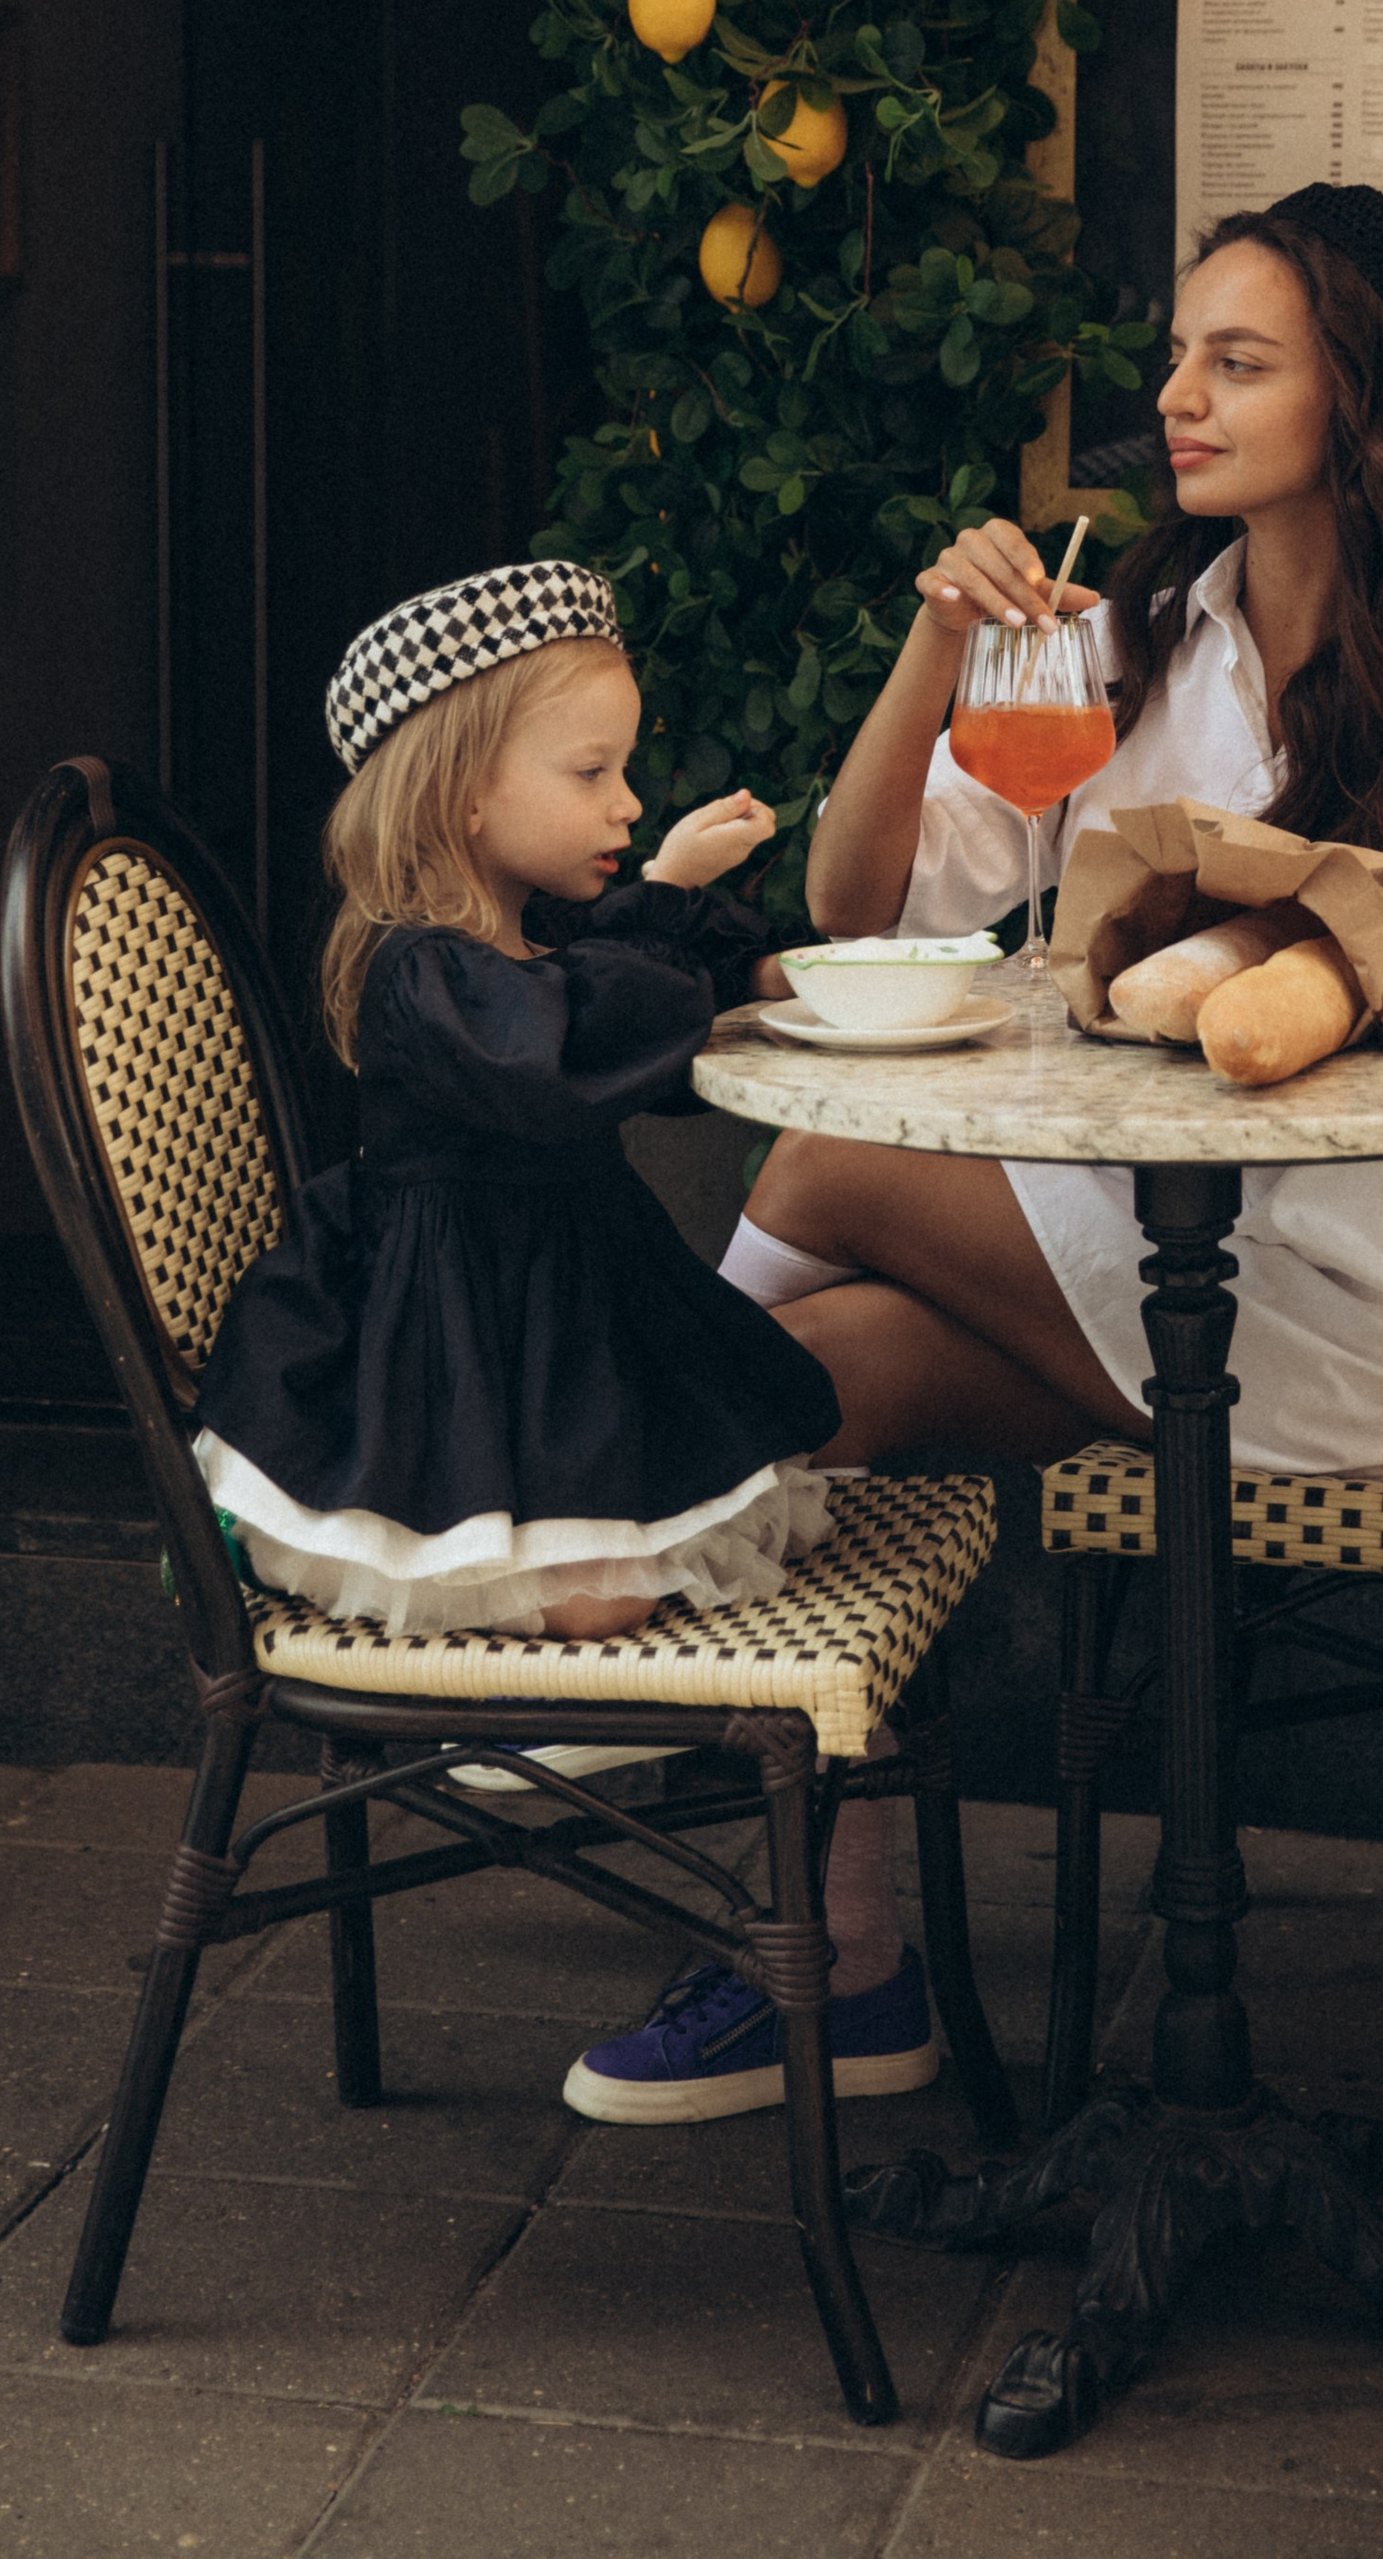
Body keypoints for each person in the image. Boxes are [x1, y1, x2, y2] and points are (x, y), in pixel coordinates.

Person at [564, 185, 1383, 2118]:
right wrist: (935, 656)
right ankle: (847, 1965)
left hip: (1369, 1323)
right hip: (1132, 1265)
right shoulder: (1125, 644)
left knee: (821, 1179)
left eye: (1237, 361)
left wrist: (1345, 915)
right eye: (1178, 354)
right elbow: (869, 898)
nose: (1177, 397)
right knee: (804, 1384)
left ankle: (586, 1542)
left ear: (1361, 410)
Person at [189, 558, 941, 2122]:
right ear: (463, 794)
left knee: (701, 1477)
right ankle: (557, 1691)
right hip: (455, 1334)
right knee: (599, 1558)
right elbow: (577, 1052)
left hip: (566, 1307)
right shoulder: (416, 968)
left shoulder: (523, 938)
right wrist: (662, 909)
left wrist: (731, 943)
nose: (622, 797)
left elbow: (640, 1021)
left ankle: (591, 1692)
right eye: (588, 771)